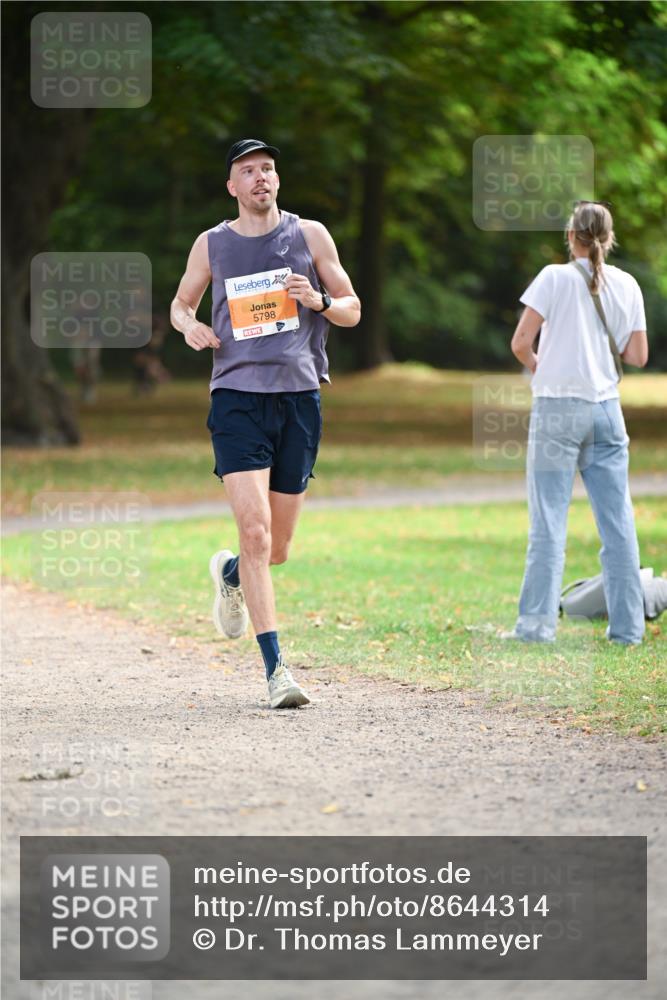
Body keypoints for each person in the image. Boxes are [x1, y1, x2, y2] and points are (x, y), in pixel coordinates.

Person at [170, 139, 361, 706]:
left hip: (299, 400)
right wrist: (189, 328)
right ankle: (278, 672)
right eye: (247, 171)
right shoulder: (212, 245)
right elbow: (181, 304)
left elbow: (353, 308)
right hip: (236, 399)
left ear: (278, 180)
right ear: (231, 186)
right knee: (254, 533)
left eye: (268, 170)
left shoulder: (310, 236)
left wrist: (320, 300)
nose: (260, 179)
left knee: (274, 548)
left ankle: (230, 574)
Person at [506, 200, 649, 645]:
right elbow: (638, 356)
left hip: (557, 410)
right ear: (608, 237)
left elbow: (521, 343)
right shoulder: (626, 284)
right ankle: (627, 629)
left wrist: (543, 364)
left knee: (549, 520)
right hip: (607, 411)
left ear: (571, 236)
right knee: (618, 522)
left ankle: (535, 627)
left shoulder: (554, 278)